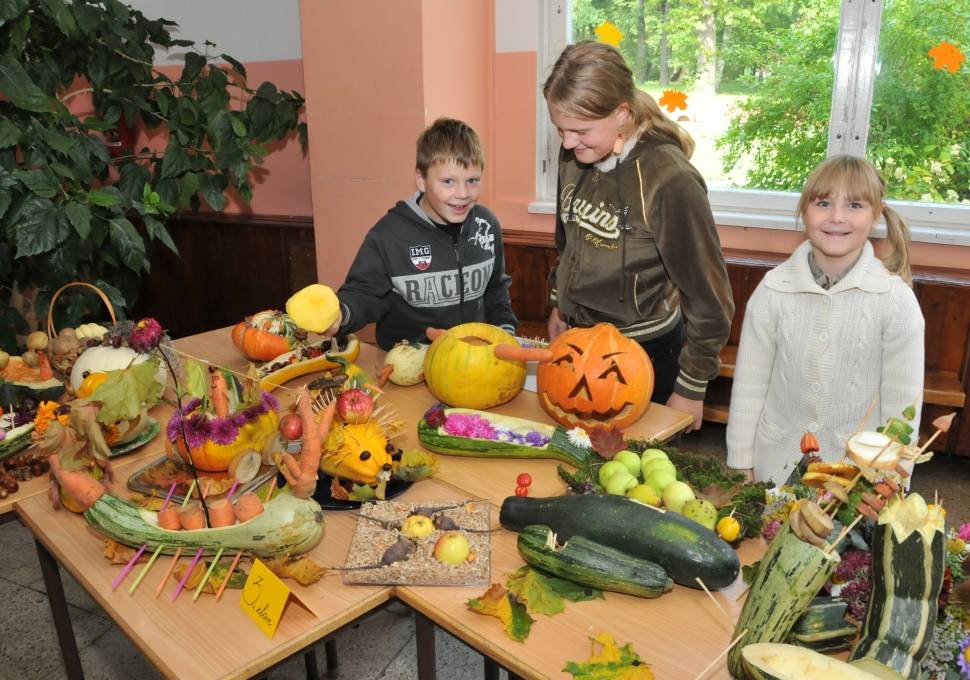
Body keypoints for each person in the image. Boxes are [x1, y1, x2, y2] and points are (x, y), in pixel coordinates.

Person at [543, 41, 734, 429]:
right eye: (559, 128)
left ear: (622, 113)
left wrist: (692, 385)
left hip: (642, 356)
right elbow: (567, 241)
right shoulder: (575, 155)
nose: (566, 142)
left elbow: (710, 299)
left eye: (580, 130)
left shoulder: (670, 180)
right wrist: (557, 304)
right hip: (577, 340)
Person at [726, 155, 925, 485]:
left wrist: (891, 482)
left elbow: (903, 407)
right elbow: (749, 387)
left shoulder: (895, 301)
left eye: (855, 205)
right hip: (773, 466)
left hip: (857, 479)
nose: (837, 217)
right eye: (823, 202)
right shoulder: (773, 290)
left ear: (876, 214)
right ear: (805, 210)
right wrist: (740, 464)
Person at [329, 118, 517, 349]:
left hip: (471, 362)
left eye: (472, 181)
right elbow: (364, 294)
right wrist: (340, 314)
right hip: (407, 364)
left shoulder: (487, 225)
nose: (462, 193)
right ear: (421, 180)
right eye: (448, 181)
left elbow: (496, 289)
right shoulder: (389, 235)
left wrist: (506, 332)